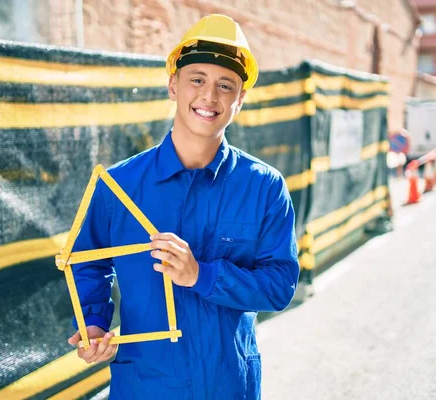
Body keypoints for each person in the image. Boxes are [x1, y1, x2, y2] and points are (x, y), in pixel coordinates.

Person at [67, 14, 300, 400]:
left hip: (230, 384)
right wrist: (93, 322)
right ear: (173, 84)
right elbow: (87, 260)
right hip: (146, 384)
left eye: (226, 86)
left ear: (240, 100)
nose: (210, 96)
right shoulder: (118, 185)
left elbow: (278, 287)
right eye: (197, 79)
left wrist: (201, 275)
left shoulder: (264, 187)